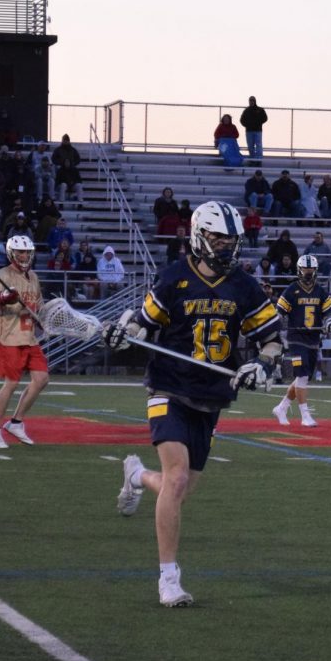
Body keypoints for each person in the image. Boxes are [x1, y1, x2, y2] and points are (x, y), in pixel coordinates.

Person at [102, 200, 283, 607]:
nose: (225, 247)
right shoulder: (173, 279)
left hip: (212, 395)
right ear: (200, 236)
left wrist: (262, 364)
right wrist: (121, 331)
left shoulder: (244, 286)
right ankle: (169, 578)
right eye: (218, 238)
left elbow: (272, 339)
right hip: (168, 386)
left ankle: (135, 476)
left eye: (230, 240)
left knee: (178, 487)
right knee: (178, 477)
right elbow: (141, 324)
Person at [0, 235, 46, 449]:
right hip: (8, 337)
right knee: (12, 383)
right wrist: (2, 298)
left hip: (28, 336)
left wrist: (43, 318)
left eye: (27, 252)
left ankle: (16, 422)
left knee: (42, 379)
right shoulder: (4, 274)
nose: (24, 256)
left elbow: (38, 305)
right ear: (12, 254)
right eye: (20, 252)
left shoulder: (33, 276)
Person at [272, 255, 331, 426]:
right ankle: (305, 416)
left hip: (313, 339)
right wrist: (275, 327)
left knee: (303, 377)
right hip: (296, 338)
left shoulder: (320, 290)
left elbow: (329, 314)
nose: (308, 273)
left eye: (311, 270)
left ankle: (282, 407)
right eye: (306, 270)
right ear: (299, 270)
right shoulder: (291, 289)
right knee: (301, 375)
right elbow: (279, 313)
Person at [239, 96, 268, 160]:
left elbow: (265, 118)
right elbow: (241, 120)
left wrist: (258, 123)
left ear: (255, 101)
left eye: (253, 100)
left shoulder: (260, 110)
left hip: (258, 131)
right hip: (249, 131)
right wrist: (247, 125)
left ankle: (259, 160)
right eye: (250, 101)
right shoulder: (246, 110)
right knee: (250, 146)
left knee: (259, 146)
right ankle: (252, 160)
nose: (251, 102)